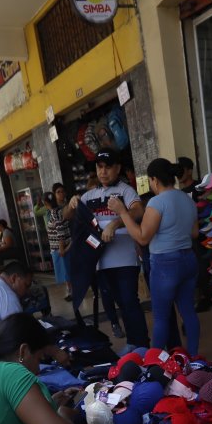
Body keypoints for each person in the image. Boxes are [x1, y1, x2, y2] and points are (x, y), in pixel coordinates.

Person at [111, 158, 201, 355]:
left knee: (160, 318)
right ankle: (194, 357)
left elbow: (142, 237)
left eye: (150, 181)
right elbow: (194, 233)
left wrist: (122, 212)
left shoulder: (157, 202)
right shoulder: (187, 199)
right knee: (188, 312)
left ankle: (155, 364)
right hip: (188, 260)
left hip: (165, 264)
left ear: (154, 180)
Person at [66, 149, 149, 347]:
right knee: (120, 304)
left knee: (130, 302)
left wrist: (115, 224)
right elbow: (67, 216)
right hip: (100, 262)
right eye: (99, 167)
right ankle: (133, 344)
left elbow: (138, 210)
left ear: (118, 168)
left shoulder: (125, 191)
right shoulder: (89, 195)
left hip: (125, 259)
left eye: (108, 167)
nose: (103, 171)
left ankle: (141, 344)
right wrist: (70, 205)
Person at [46, 183, 71, 302]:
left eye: (62, 191)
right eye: (58, 192)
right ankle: (70, 290)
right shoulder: (53, 212)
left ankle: (73, 291)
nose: (61, 194)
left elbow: (60, 230)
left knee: (67, 271)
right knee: (66, 271)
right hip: (59, 245)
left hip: (63, 245)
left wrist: (62, 248)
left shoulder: (59, 211)